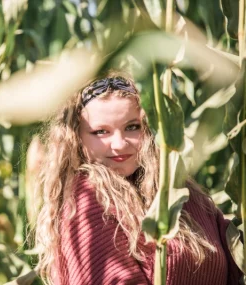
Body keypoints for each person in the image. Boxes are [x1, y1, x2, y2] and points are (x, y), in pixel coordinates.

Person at [33, 71, 243, 284]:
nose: (120, 144)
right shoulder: (89, 201)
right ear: (77, 138)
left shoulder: (178, 191)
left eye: (132, 127)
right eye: (100, 132)